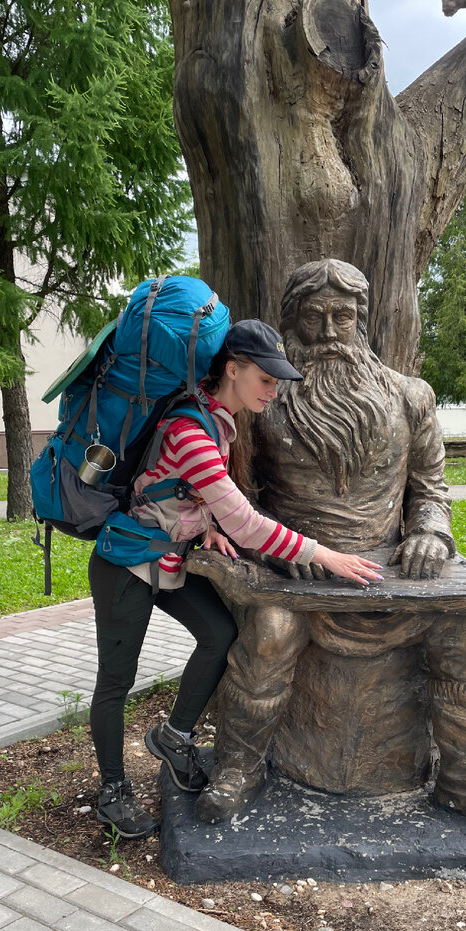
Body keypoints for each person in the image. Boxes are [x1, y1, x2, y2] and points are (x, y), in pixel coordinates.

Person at [194, 260, 466, 840]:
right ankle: (238, 769)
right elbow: (243, 496)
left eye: (345, 316)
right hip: (297, 573)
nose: (331, 331)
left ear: (364, 321)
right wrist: (264, 547)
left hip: (389, 576)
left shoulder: (412, 398)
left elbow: (431, 494)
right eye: (315, 318)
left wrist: (430, 534)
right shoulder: (262, 406)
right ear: (292, 323)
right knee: (272, 632)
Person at [88, 317, 383, 838]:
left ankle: (174, 738)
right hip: (125, 564)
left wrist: (206, 524)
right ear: (233, 369)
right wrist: (326, 556)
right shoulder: (191, 430)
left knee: (221, 633)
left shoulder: (217, 422)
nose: (274, 390)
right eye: (265, 379)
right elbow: (246, 523)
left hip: (169, 559)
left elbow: (193, 494)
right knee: (117, 680)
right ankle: (113, 788)